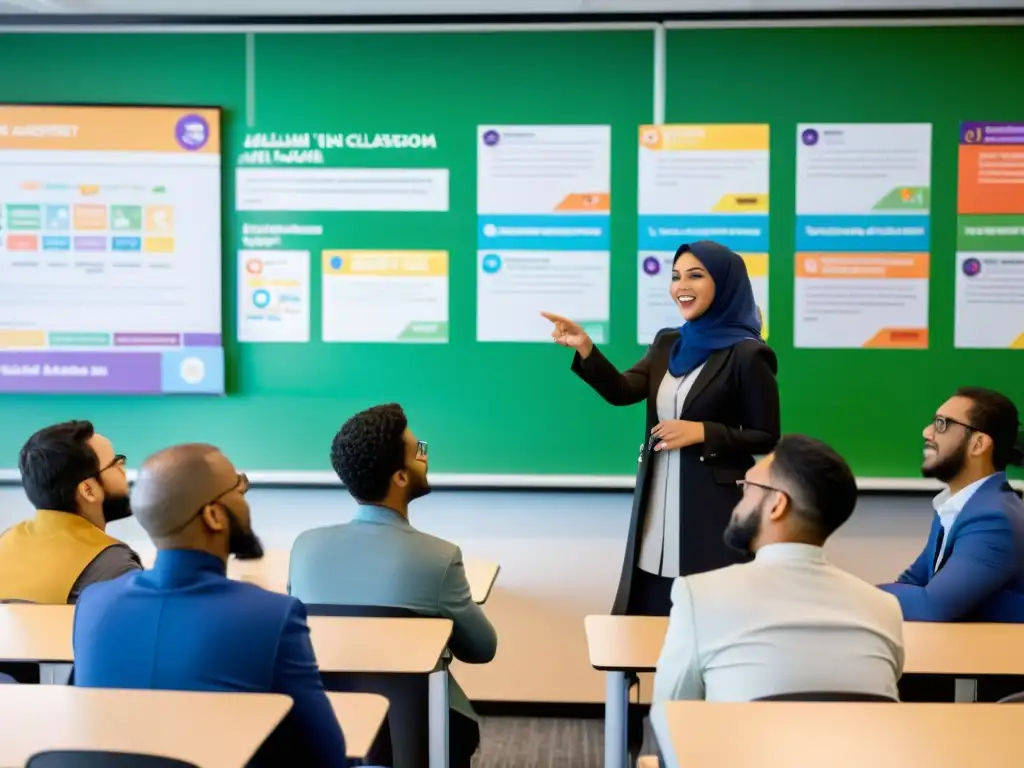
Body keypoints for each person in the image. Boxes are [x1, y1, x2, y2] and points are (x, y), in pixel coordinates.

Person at [543, 240, 781, 617]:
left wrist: (704, 431)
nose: (681, 285)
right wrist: (586, 348)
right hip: (657, 501)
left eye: (695, 275)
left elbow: (767, 436)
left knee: (710, 615)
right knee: (649, 612)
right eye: (675, 276)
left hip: (712, 508)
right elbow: (623, 391)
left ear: (726, 283)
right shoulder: (668, 342)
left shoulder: (749, 354)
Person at [72, 443, 347, 767]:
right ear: (213, 516)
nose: (245, 498)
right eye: (237, 488)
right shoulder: (272, 616)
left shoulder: (93, 602)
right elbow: (326, 754)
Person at [289, 403, 497, 768]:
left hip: (325, 726)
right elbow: (482, 648)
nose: (425, 456)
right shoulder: (439, 557)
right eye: (420, 450)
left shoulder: (305, 548)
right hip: (418, 733)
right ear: (400, 478)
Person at [652, 434, 904, 704]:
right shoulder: (884, 608)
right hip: (859, 747)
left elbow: (670, 714)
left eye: (748, 486)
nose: (739, 499)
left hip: (740, 747)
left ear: (777, 505)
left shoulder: (699, 595)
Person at [879, 387, 1024, 622]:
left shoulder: (994, 519)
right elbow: (913, 581)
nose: (927, 432)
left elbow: (932, 605)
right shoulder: (958, 506)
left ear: (978, 444)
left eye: (941, 424)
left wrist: (858, 596)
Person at [0, 420, 140, 604]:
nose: (123, 470)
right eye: (117, 463)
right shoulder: (114, 566)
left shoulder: (6, 542)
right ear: (88, 490)